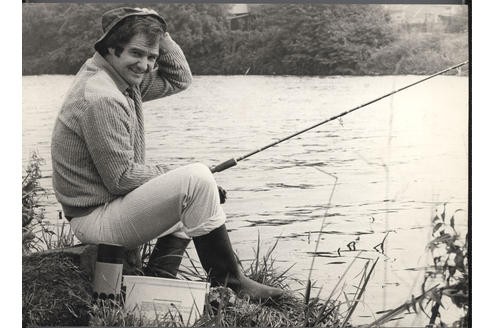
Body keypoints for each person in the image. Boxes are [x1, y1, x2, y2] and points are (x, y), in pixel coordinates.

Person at [50, 7, 283, 300]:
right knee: (196, 182)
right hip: (94, 218)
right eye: (137, 53)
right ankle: (232, 282)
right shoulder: (102, 97)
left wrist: (161, 32)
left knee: (198, 199)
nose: (145, 65)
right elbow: (121, 179)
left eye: (151, 57)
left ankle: (159, 278)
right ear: (111, 47)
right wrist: (187, 177)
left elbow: (179, 79)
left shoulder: (118, 77)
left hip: (102, 207)